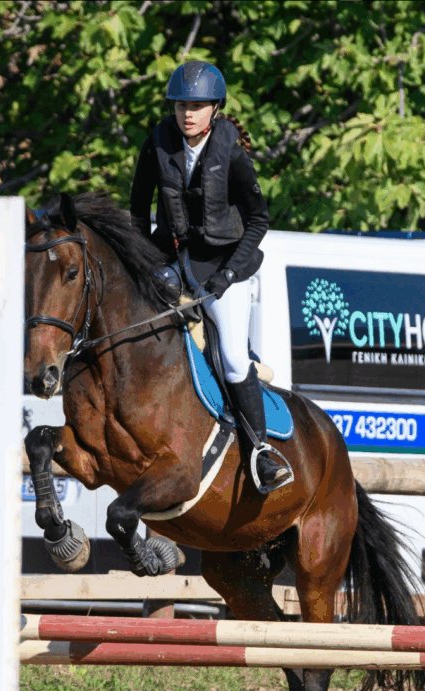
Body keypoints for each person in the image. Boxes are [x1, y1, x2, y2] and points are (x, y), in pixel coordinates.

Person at [129, 60, 292, 494]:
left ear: (215, 109)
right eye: (182, 104)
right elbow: (136, 212)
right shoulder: (157, 145)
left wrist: (228, 275)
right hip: (171, 264)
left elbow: (259, 221)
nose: (188, 113)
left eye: (198, 105)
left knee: (234, 357)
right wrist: (145, 265)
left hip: (225, 270)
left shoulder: (231, 151)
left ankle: (260, 452)